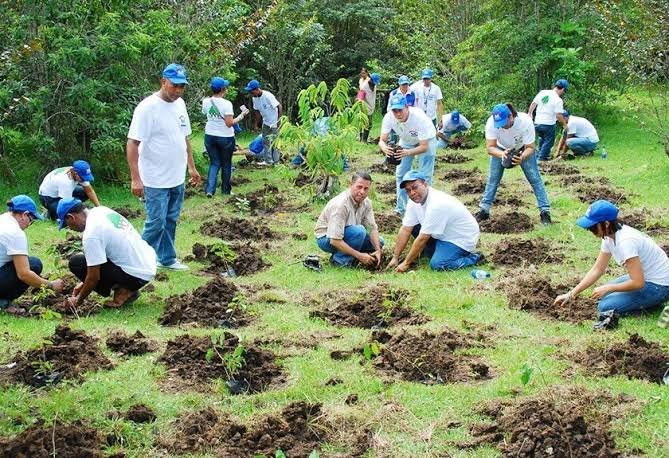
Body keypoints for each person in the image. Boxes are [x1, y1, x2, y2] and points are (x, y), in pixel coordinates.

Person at [126, 63, 201, 271]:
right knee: (156, 222)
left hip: (176, 176)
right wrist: (135, 177)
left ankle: (167, 258)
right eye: (174, 85)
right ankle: (138, 261)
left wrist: (192, 167)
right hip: (154, 178)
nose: (178, 90)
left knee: (170, 219)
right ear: (163, 81)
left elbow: (184, 138)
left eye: (181, 86)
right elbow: (132, 143)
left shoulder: (180, 104)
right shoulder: (147, 108)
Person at [554, 200, 669, 316]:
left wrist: (610, 288)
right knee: (603, 296)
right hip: (645, 278)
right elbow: (597, 270)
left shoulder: (626, 242)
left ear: (606, 224)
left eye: (593, 226)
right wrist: (571, 294)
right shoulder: (609, 237)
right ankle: (645, 301)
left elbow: (638, 283)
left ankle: (651, 306)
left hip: (660, 286)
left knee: (604, 307)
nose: (590, 230)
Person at [57, 198, 157, 308]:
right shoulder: (101, 211)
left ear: (72, 217)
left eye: (67, 225)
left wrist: (77, 301)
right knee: (88, 259)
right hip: (148, 263)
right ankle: (128, 287)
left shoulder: (91, 234)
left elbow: (93, 277)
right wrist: (83, 283)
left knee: (77, 262)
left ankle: (124, 291)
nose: (70, 229)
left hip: (137, 274)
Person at [386, 171, 482, 272]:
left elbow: (423, 238)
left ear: (425, 184)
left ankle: (473, 257)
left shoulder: (437, 203)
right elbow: (405, 229)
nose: (412, 193)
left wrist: (406, 263)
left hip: (459, 238)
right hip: (441, 234)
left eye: (415, 187)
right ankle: (429, 252)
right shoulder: (413, 201)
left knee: (438, 265)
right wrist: (395, 257)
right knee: (413, 226)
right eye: (408, 190)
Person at [476, 103, 552, 225]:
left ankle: (545, 211)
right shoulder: (491, 122)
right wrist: (502, 154)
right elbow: (490, 148)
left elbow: (530, 148)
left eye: (503, 123)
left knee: (534, 178)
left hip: (522, 148)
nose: (501, 126)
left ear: (510, 116)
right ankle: (484, 210)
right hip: (501, 148)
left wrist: (521, 157)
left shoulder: (525, 122)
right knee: (493, 179)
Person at [0, 195, 64, 312]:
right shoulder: (15, 233)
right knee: (34, 264)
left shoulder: (3, 219)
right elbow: (24, 274)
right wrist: (51, 285)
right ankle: (3, 302)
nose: (30, 225)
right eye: (32, 220)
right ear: (24, 215)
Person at [379, 94, 437, 216]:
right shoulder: (389, 117)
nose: (398, 114)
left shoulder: (419, 118)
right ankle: (401, 209)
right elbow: (382, 140)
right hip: (406, 140)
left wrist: (407, 152)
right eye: (395, 111)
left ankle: (425, 209)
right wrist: (384, 148)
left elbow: (424, 146)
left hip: (427, 140)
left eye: (400, 110)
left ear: (407, 107)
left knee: (424, 175)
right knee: (401, 174)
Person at [315, 171, 383, 268]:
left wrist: (378, 251)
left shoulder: (366, 202)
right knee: (359, 232)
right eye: (359, 187)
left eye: (366, 189)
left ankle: (355, 257)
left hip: (349, 234)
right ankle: (339, 261)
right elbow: (334, 240)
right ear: (351, 185)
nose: (362, 192)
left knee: (379, 242)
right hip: (326, 238)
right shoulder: (341, 205)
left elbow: (372, 228)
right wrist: (359, 256)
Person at [202, 77, 248, 197]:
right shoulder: (227, 104)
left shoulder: (206, 101)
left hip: (210, 136)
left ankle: (209, 190)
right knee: (226, 164)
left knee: (214, 163)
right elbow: (229, 123)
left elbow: (205, 113)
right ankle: (225, 190)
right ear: (223, 89)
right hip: (225, 137)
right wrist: (242, 115)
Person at [528, 79, 569, 161]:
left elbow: (533, 103)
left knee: (542, 139)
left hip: (537, 122)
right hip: (548, 123)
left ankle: (540, 155)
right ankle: (541, 158)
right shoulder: (558, 100)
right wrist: (564, 125)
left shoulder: (543, 92)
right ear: (563, 89)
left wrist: (530, 114)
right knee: (548, 142)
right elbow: (558, 115)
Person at [245, 79, 282, 166]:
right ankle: (268, 161)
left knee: (275, 143)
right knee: (266, 142)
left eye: (252, 91)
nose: (251, 93)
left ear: (257, 89)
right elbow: (257, 112)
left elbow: (279, 107)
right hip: (266, 123)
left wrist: (279, 121)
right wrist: (256, 124)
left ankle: (276, 162)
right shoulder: (255, 98)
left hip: (274, 122)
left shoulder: (268, 96)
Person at [358, 71, 381, 142]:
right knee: (366, 124)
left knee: (368, 124)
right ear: (370, 79)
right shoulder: (364, 86)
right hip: (365, 107)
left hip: (371, 107)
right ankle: (363, 139)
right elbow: (360, 98)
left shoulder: (374, 85)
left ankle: (363, 139)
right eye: (374, 82)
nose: (375, 83)